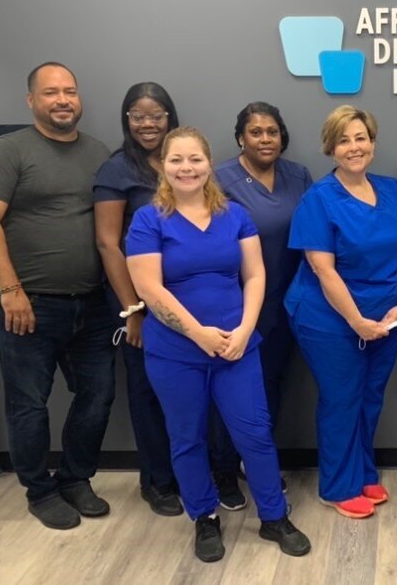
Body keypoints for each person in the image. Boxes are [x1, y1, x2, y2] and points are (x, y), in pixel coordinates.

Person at [126, 127, 311, 562]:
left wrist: (245, 330)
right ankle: (205, 518)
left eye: (195, 159)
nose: (186, 168)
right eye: (176, 160)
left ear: (209, 164)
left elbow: (256, 275)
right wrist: (198, 333)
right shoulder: (148, 220)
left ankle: (273, 516)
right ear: (163, 166)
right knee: (187, 437)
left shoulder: (234, 215)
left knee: (255, 434)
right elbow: (149, 289)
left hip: (235, 347)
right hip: (175, 352)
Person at [0, 62, 115, 530]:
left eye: (70, 91)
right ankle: (40, 490)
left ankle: (75, 478)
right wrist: (10, 290)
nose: (63, 100)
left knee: (98, 394)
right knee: (29, 402)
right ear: (31, 100)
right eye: (51, 92)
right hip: (26, 303)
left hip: (91, 303)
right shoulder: (8, 151)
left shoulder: (98, 152)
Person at [285, 105, 397, 519]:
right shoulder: (319, 199)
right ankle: (338, 486)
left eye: (361, 138)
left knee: (370, 397)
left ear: (373, 143)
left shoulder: (393, 190)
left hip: (388, 314)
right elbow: (322, 269)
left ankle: (362, 471)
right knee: (342, 398)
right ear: (331, 148)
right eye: (343, 140)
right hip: (328, 317)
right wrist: (355, 320)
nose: (354, 147)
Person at [210, 102, 312, 510]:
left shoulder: (298, 175)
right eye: (256, 132)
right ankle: (222, 471)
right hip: (236, 306)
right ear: (241, 138)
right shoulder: (219, 179)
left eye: (272, 132)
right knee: (230, 391)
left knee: (270, 387)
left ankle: (256, 465)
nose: (265, 139)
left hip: (287, 303)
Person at [93, 82, 182, 517]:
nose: (148, 124)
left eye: (156, 115)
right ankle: (158, 481)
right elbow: (109, 244)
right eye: (138, 116)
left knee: (185, 389)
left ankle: (187, 473)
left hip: (183, 298)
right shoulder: (117, 170)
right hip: (139, 303)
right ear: (126, 120)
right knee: (148, 391)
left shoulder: (181, 160)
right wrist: (133, 311)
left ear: (170, 118)